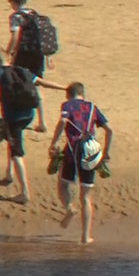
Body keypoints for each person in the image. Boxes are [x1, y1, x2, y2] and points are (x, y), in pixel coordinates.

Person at [0, 48, 65, 204]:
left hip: (12, 117)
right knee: (12, 140)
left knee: (17, 152)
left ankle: (25, 193)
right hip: (28, 115)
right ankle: (9, 174)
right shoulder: (21, 70)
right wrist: (64, 88)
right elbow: (42, 83)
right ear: (8, 58)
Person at [48, 82, 113, 244]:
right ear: (82, 94)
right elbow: (110, 130)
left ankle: (69, 209)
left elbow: (63, 122)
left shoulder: (67, 105)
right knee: (85, 196)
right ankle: (85, 237)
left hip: (72, 151)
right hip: (90, 154)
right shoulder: (92, 107)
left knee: (63, 185)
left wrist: (54, 142)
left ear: (68, 95)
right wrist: (106, 152)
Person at [6, 0, 51, 132]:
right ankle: (42, 121)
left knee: (18, 83)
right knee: (37, 84)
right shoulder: (35, 14)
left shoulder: (16, 17)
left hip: (23, 54)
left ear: (13, 2)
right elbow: (44, 36)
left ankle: (17, 116)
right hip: (38, 55)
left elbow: (16, 36)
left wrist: (8, 53)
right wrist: (48, 56)